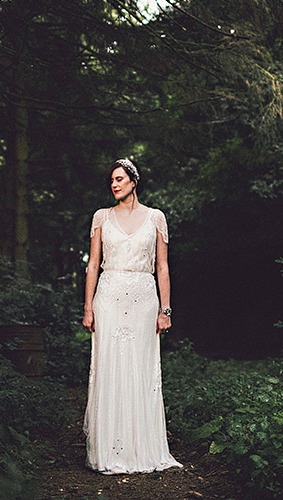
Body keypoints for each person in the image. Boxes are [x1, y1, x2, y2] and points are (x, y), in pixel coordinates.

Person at [81, 158, 182, 474]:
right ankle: (108, 449)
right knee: (110, 366)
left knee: (141, 367)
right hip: (108, 296)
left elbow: (162, 266)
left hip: (143, 298)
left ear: (134, 182)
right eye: (111, 180)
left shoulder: (156, 218)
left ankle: (142, 447)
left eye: (120, 179)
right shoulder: (101, 217)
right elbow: (92, 264)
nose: (114, 184)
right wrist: (87, 308)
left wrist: (165, 310)